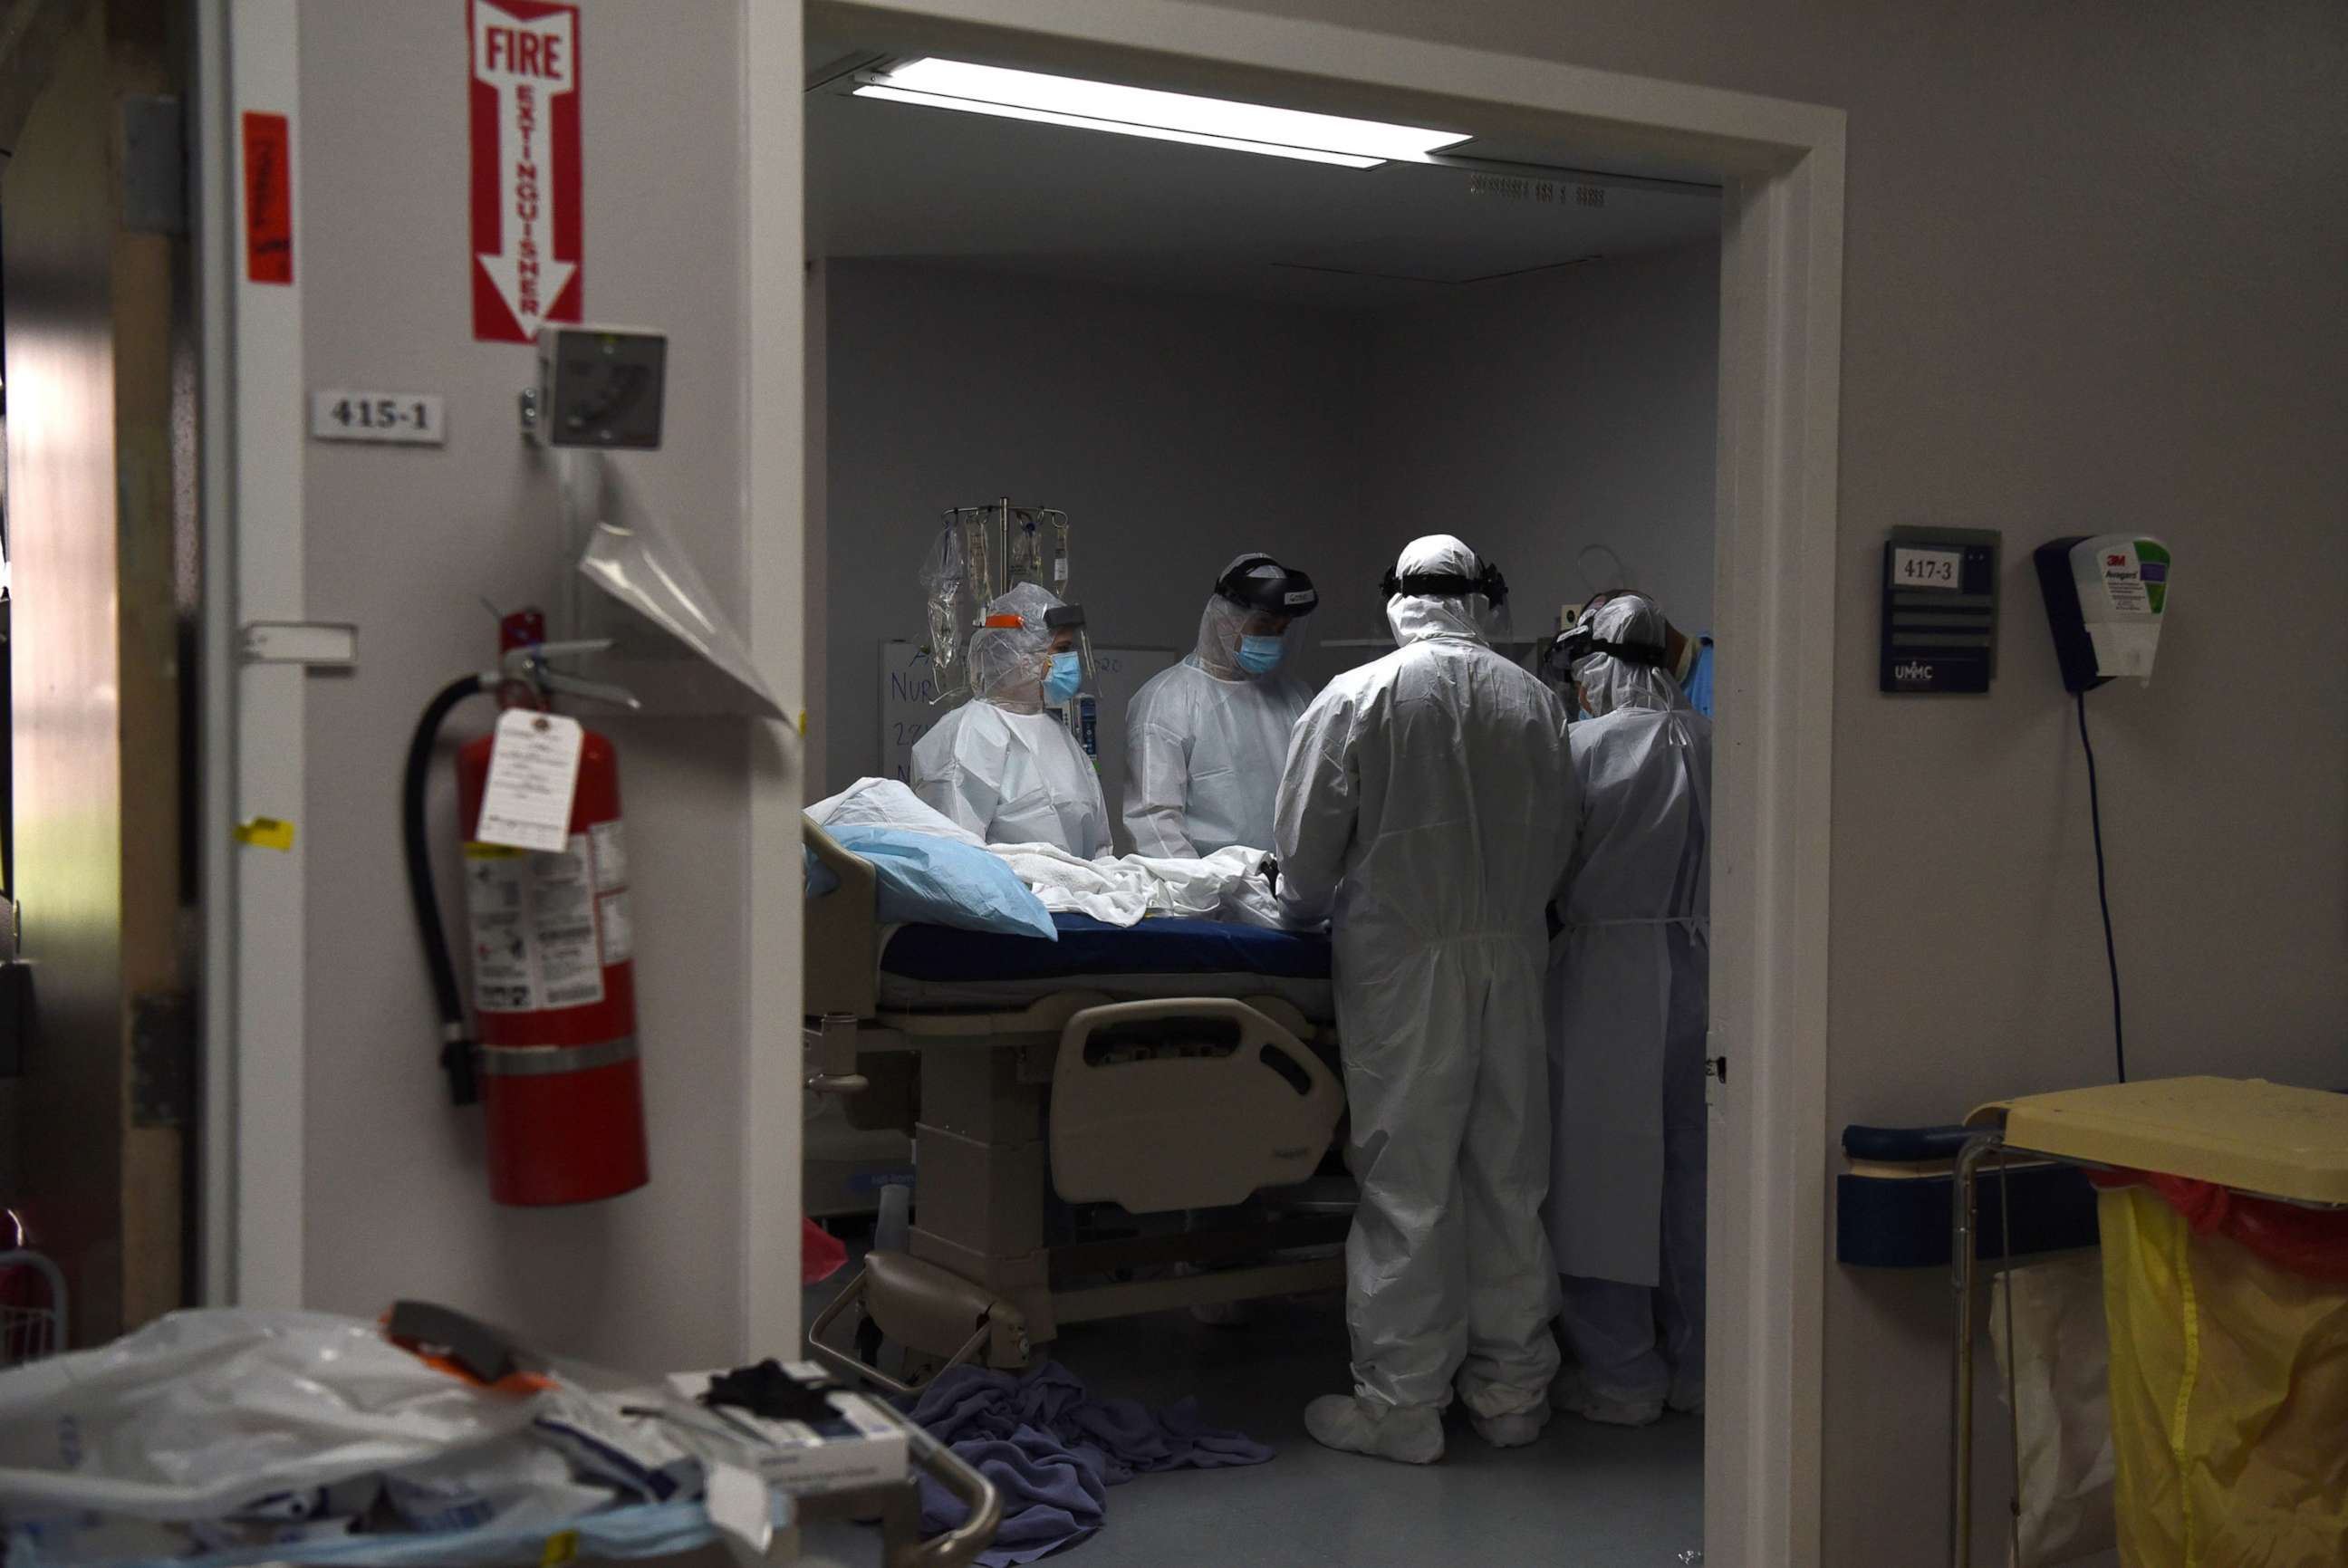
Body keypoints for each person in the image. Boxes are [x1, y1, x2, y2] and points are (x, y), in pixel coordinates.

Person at [1274, 534, 1578, 1465]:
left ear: (1397, 600)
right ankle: (1512, 1392)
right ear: (1482, 600)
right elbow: (1565, 838)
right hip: (1515, 960)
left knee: (1409, 1185)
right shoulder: (1538, 703)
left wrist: (1298, 906)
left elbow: (1302, 866)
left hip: (1404, 967)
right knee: (1508, 1180)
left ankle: (1402, 1406)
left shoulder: (1358, 698)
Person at [1544, 592, 1712, 1427]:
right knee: (1699, 1180)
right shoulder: (1721, 742)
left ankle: (1620, 1375)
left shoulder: (1580, 751)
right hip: (1710, 974)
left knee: (1602, 1176)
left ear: (1597, 673)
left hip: (1607, 973)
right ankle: (1704, 1367)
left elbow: (1543, 865)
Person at [1123, 553, 1319, 859]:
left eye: (1281, 630)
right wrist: (1202, 893)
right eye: (1264, 626)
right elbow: (1154, 824)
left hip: (1286, 891)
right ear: (1224, 619)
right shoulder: (1166, 701)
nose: (1274, 639)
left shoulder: (1296, 698)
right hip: (1212, 896)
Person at [912, 582, 1112, 859]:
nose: (1071, 661)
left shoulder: (1059, 735)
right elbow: (956, 857)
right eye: (1062, 648)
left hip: (1073, 899)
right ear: (1020, 658)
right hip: (1007, 899)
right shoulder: (970, 734)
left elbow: (1098, 845)